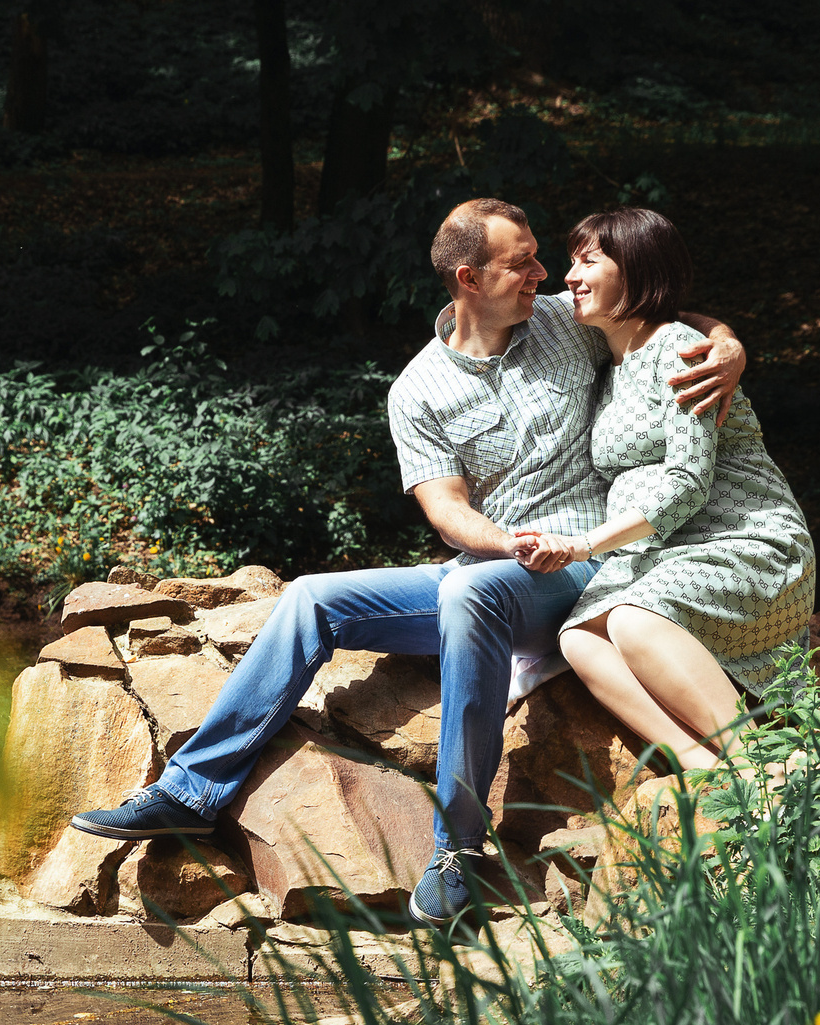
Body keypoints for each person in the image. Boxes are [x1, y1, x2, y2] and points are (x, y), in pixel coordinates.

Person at [68, 197, 749, 926]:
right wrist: (502, 541)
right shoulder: (418, 389)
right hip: (498, 562)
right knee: (310, 599)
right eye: (522, 261)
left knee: (472, 597)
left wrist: (729, 342)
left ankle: (457, 848)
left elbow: (660, 312)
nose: (544, 273)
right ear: (469, 277)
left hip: (585, 561)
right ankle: (191, 793)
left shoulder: (564, 322)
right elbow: (446, 509)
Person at [512, 207, 815, 773]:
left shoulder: (682, 353)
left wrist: (580, 548)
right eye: (570, 261)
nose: (568, 276)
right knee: (580, 640)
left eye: (588, 261)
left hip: (745, 543)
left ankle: (765, 769)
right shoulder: (612, 365)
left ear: (636, 270)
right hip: (668, 554)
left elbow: (687, 484)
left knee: (630, 620)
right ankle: (704, 771)